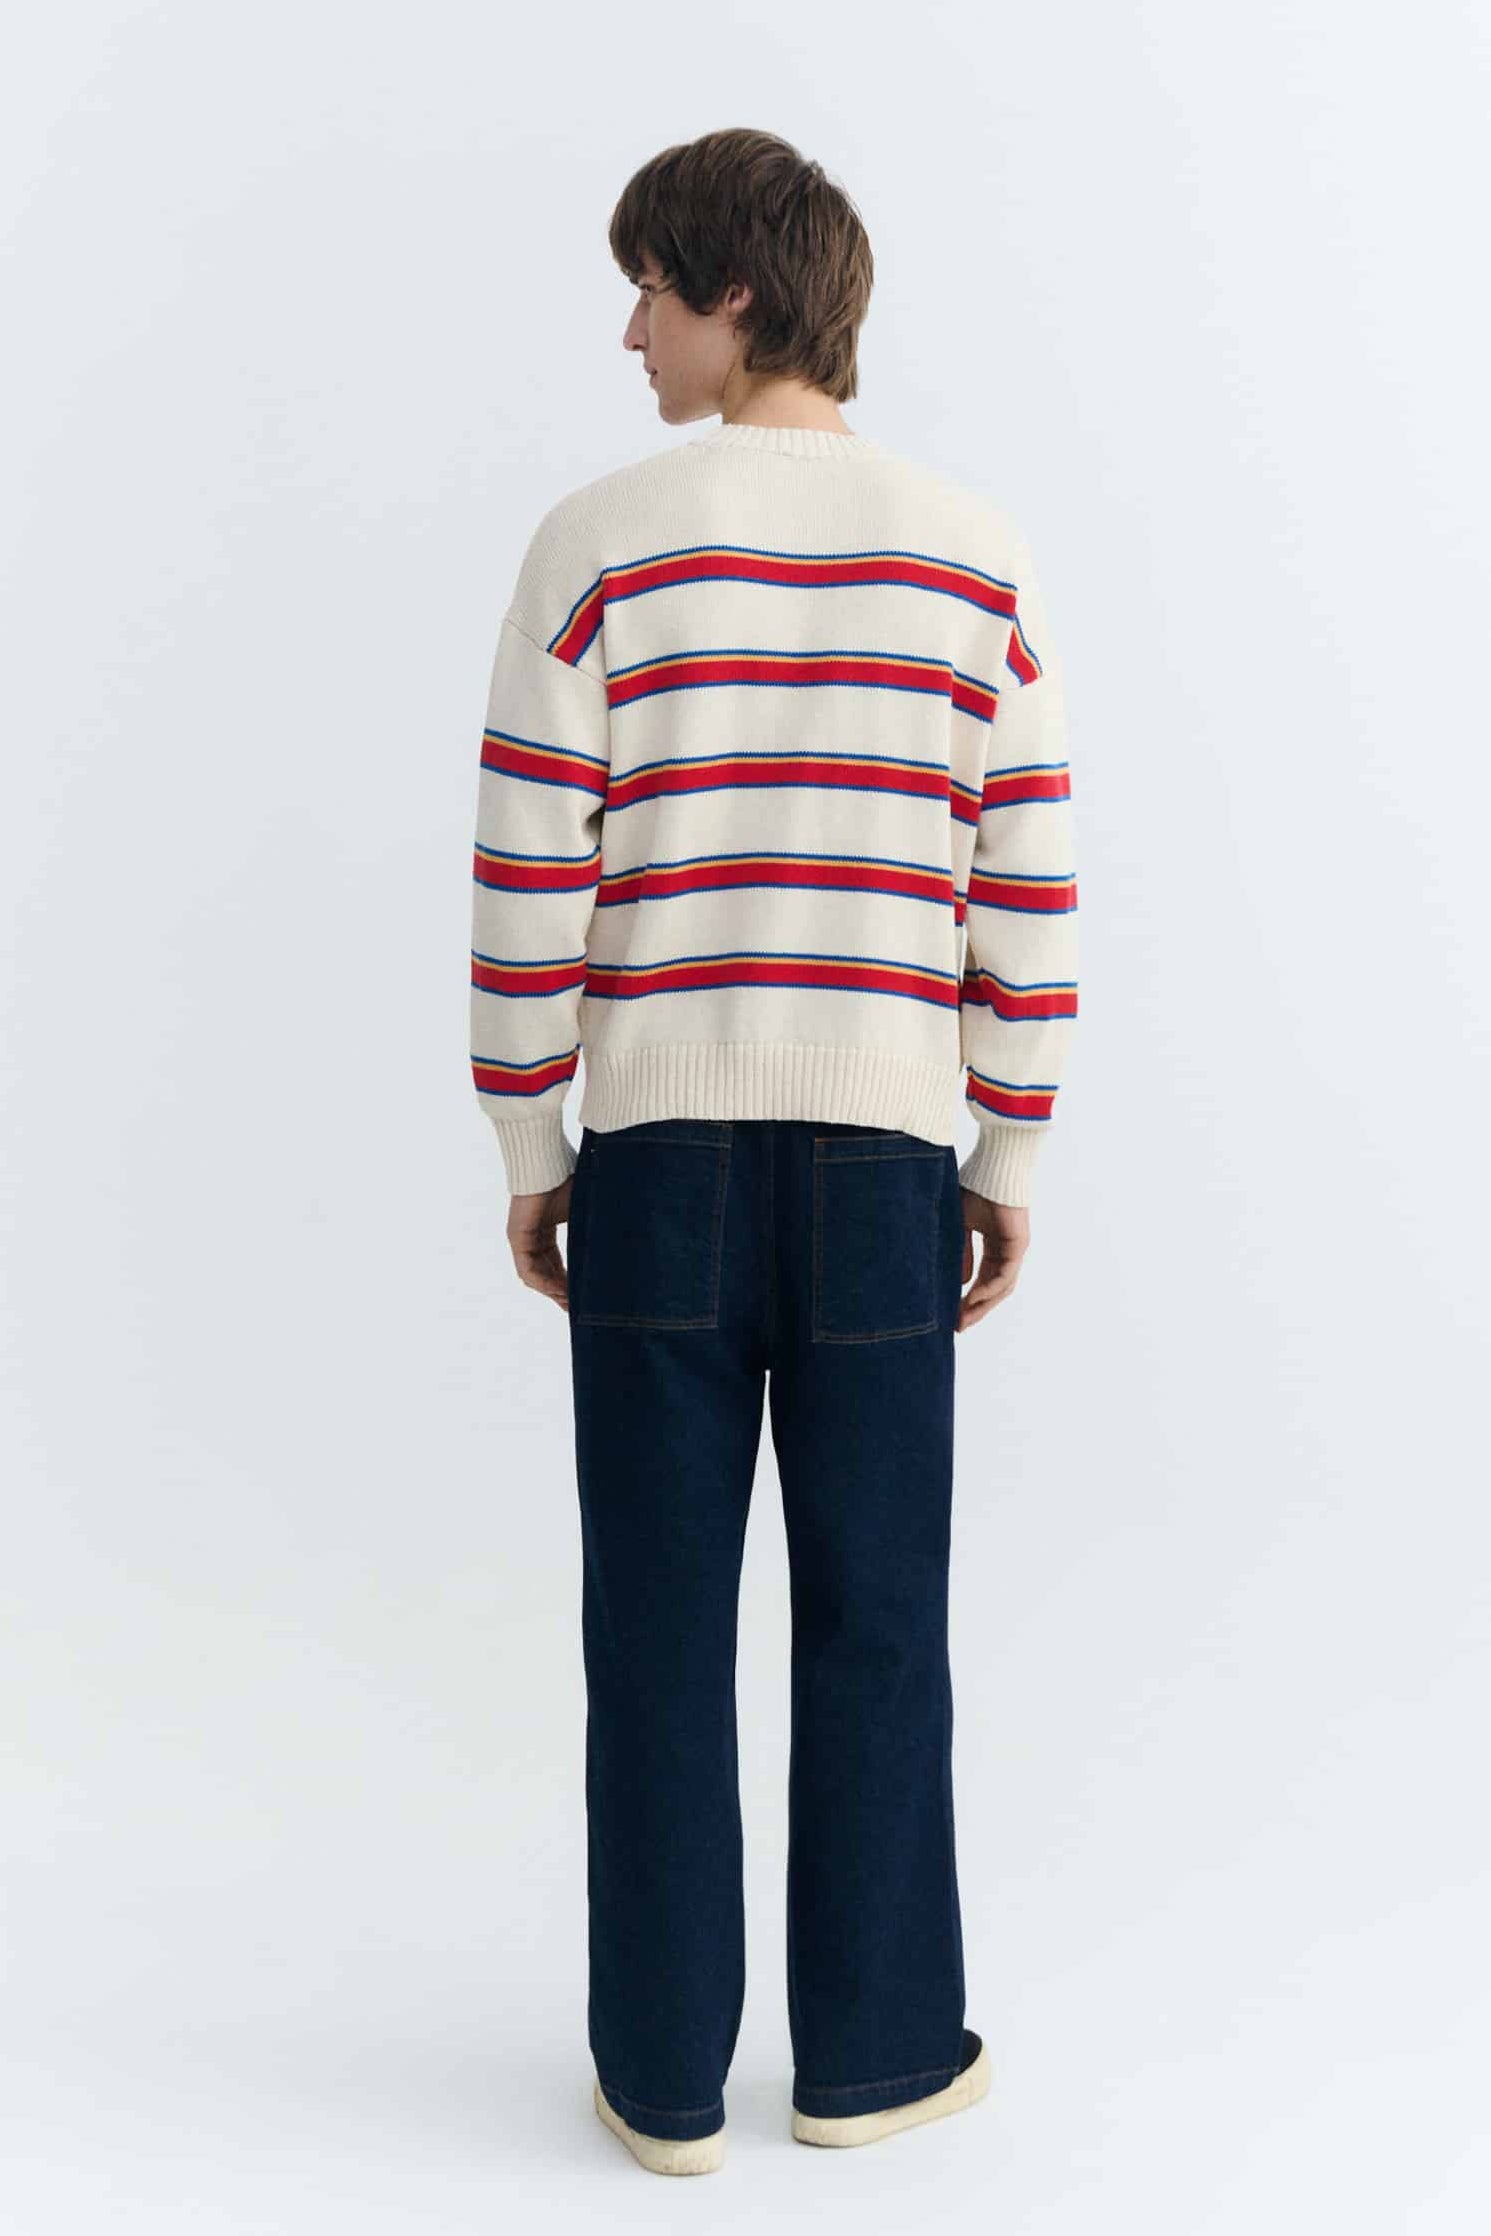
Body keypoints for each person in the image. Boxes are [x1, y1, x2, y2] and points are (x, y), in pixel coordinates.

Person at [468, 127, 1079, 2175]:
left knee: (651, 1627)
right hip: (885, 1162)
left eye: (648, 287)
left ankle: (661, 2083)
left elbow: (529, 870)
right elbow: (1023, 887)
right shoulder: (971, 555)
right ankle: (873, 2056)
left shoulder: (598, 544)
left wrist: (527, 1128)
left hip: (655, 1152)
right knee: (877, 1615)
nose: (629, 329)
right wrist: (1005, 1153)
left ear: (734, 292)